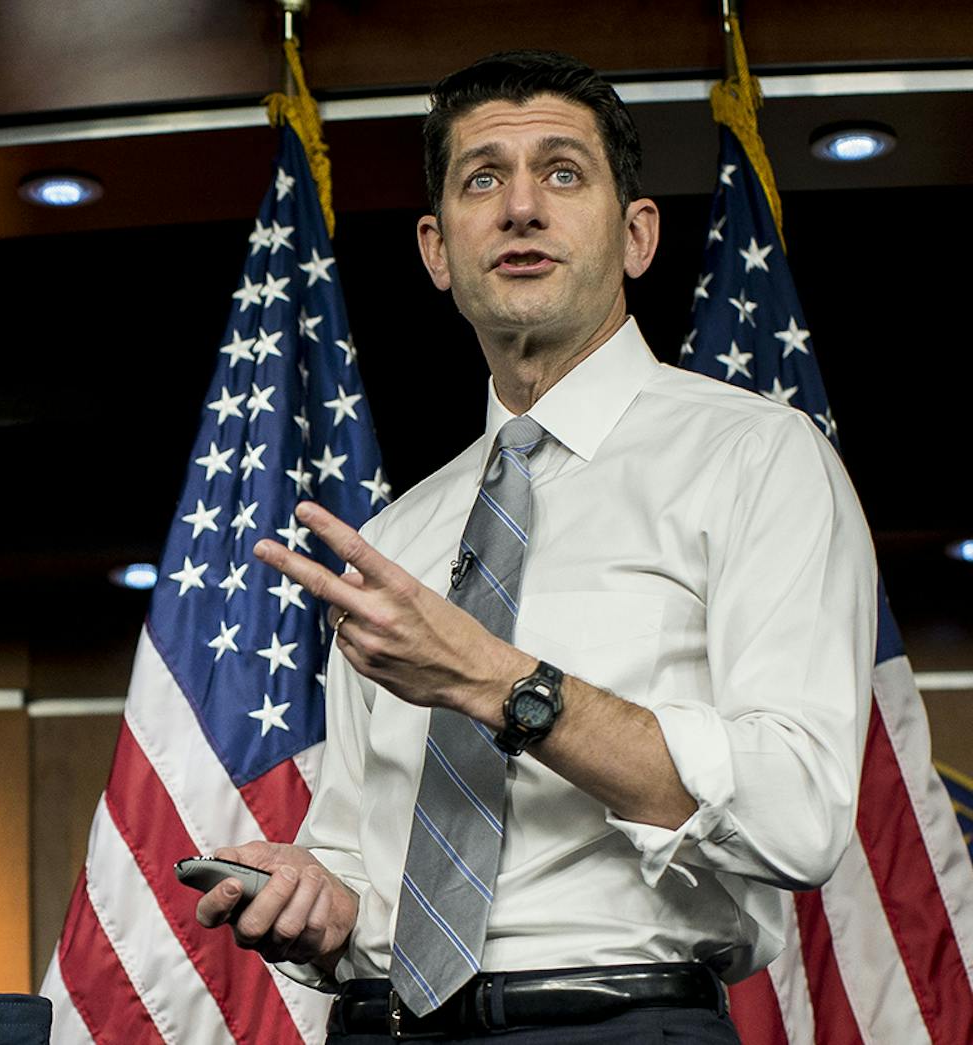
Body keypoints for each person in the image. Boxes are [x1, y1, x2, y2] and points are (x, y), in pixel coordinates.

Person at [192, 50, 876, 1043]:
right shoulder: (395, 538)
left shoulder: (759, 458)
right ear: (437, 249)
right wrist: (317, 899)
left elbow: (801, 814)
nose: (521, 208)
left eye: (563, 172)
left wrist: (498, 682)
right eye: (483, 178)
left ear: (637, 233)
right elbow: (354, 854)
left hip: (617, 1021)